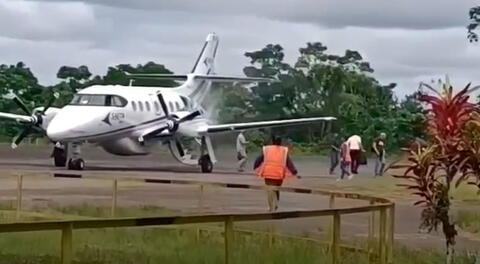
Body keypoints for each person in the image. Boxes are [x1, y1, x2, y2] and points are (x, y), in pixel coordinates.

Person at [254, 136, 298, 212]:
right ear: (280, 142)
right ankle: (276, 204)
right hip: (279, 174)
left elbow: (260, 158)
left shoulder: (267, 149)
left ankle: (271, 207)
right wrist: (294, 171)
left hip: (268, 173)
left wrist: (255, 166)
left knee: (270, 190)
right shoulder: (283, 150)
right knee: (277, 189)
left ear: (272, 142)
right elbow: (288, 162)